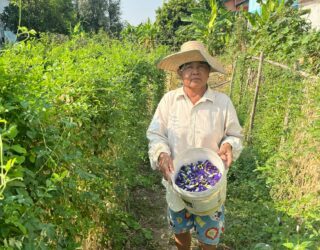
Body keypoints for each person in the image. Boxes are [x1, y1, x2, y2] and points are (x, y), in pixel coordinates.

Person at [146, 41, 243, 250]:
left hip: (210, 189)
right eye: (189, 66)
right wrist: (161, 154)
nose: (195, 71)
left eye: (201, 66)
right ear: (180, 73)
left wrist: (229, 146)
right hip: (177, 184)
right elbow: (155, 133)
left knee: (208, 238)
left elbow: (235, 135)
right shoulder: (169, 101)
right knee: (180, 232)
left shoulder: (222, 103)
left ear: (209, 72)